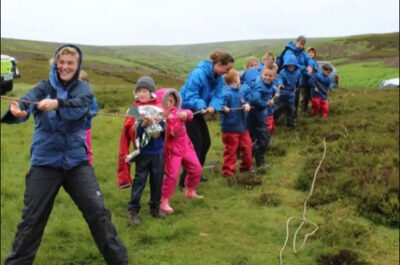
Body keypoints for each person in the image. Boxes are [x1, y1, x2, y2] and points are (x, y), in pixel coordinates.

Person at [1, 44, 128, 265]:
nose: (65, 66)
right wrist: (17, 110)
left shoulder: (83, 89)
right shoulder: (43, 87)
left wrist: (56, 104)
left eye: (71, 63)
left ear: (78, 66)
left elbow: (79, 107)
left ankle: (120, 262)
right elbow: (26, 102)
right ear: (55, 63)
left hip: (76, 163)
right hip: (44, 162)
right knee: (31, 222)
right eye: (62, 62)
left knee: (99, 215)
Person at [179, 49, 234, 188]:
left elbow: (219, 96)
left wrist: (213, 106)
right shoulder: (199, 73)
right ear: (219, 64)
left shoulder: (219, 79)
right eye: (226, 69)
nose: (226, 73)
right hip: (186, 110)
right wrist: (202, 105)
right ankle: (185, 181)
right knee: (196, 144)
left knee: (206, 142)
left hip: (198, 111)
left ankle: (196, 173)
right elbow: (190, 95)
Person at [119, 76, 167, 226]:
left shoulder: (160, 107)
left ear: (151, 92)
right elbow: (131, 132)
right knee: (139, 180)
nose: (141, 94)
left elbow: (166, 130)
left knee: (157, 180)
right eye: (139, 91)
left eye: (144, 91)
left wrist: (160, 123)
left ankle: (155, 207)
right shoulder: (133, 110)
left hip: (158, 152)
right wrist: (142, 125)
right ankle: (133, 210)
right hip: (142, 153)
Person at [156, 88, 204, 214]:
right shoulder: (161, 118)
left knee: (196, 168)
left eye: (172, 101)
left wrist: (186, 114)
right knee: (172, 176)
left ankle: (190, 190)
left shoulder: (178, 111)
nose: (169, 104)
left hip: (186, 146)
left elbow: (190, 114)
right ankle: (164, 200)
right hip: (173, 150)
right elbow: (172, 132)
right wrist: (178, 120)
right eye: (166, 101)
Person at [219, 69, 253, 181]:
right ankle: (228, 172)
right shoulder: (225, 93)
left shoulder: (239, 92)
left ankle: (246, 167)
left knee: (247, 146)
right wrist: (224, 108)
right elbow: (220, 106)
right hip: (230, 129)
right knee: (231, 151)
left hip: (242, 127)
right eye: (239, 77)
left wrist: (246, 105)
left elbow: (243, 101)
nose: (240, 79)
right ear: (235, 79)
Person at [248, 65, 279, 167]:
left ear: (274, 76)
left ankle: (255, 160)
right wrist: (266, 103)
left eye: (270, 76)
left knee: (262, 139)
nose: (267, 77)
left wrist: (276, 93)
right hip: (257, 116)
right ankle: (253, 159)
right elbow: (255, 100)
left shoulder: (269, 84)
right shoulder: (260, 85)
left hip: (261, 115)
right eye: (265, 75)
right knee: (264, 139)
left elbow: (274, 88)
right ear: (262, 74)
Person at [281, 36, 313, 114]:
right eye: (300, 44)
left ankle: (293, 119)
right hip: (287, 79)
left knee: (295, 101)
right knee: (285, 102)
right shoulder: (289, 52)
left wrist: (310, 65)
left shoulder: (302, 52)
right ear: (296, 42)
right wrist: (305, 68)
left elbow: (308, 59)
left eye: (303, 44)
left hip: (297, 80)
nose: (301, 46)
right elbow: (292, 65)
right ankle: (283, 119)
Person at [274, 54, 303, 129]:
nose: (291, 67)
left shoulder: (297, 72)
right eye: (289, 65)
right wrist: (280, 84)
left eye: (292, 65)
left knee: (291, 110)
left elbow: (299, 80)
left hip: (291, 94)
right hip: (283, 94)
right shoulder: (283, 72)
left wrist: (299, 85)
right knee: (278, 109)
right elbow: (280, 79)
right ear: (286, 64)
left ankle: (291, 123)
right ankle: (274, 121)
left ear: (295, 65)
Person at [79, 70, 98, 166]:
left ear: (87, 82)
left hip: (86, 128)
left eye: (83, 82)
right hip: (75, 128)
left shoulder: (91, 97)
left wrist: (87, 114)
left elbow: (95, 110)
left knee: (87, 148)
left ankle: (88, 166)